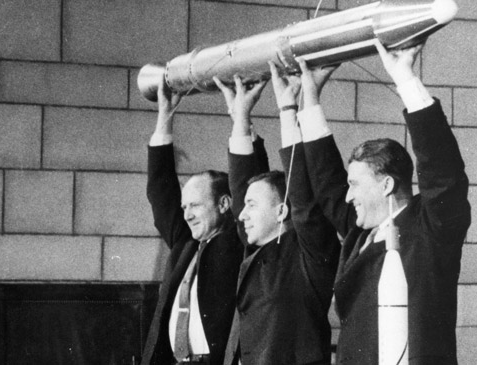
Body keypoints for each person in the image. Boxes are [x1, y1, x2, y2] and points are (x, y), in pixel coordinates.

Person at [299, 40, 471, 364]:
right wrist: (309, 97)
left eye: (354, 185)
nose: (347, 196)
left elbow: (443, 172)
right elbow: (326, 182)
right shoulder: (361, 232)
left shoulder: (431, 229)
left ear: (387, 185)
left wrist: (404, 78)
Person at [214, 65, 340, 364]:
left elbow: (303, 196)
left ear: (283, 210)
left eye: (252, 205)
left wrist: (287, 108)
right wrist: (241, 120)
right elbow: (243, 182)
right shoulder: (256, 249)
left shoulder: (309, 250)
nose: (241, 215)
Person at [141, 77, 245, 365]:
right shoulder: (185, 241)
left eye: (195, 205)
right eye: (185, 206)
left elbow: (247, 176)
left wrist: (240, 115)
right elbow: (160, 189)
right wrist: (165, 115)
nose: (186, 214)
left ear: (225, 204)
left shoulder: (240, 241)